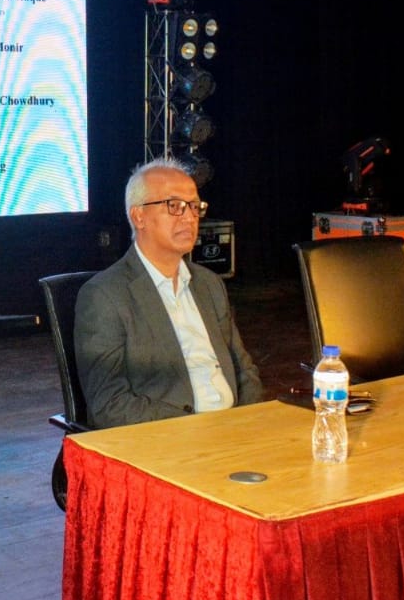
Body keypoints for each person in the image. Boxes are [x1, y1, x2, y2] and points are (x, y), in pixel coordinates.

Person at [74, 157, 263, 428]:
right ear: (139, 216)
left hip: (234, 429)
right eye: (174, 206)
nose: (189, 217)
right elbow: (109, 404)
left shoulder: (209, 284)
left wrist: (248, 423)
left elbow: (244, 371)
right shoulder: (105, 296)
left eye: (194, 206)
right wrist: (195, 428)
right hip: (169, 436)